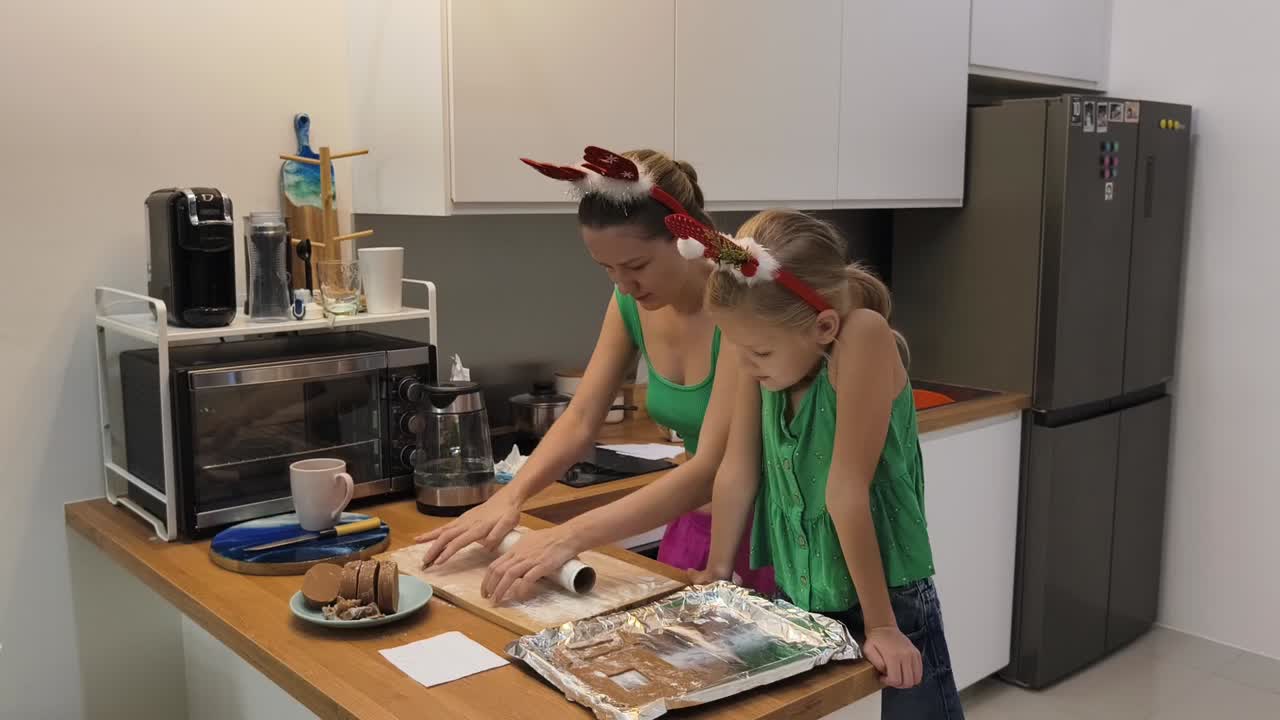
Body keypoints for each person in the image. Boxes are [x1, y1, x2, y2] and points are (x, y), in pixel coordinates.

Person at [415, 147, 774, 601]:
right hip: (689, 526)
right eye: (607, 269)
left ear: (689, 237)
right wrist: (510, 496)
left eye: (637, 266)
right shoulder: (630, 301)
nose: (624, 284)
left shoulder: (740, 300)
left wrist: (568, 535)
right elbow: (583, 417)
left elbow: (712, 468)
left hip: (765, 538)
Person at [685, 209, 962, 719]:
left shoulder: (862, 336)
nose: (746, 366)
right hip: (799, 586)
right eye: (741, 350)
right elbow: (738, 469)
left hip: (886, 592)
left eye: (760, 352)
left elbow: (846, 491)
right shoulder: (761, 352)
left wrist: (881, 626)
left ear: (823, 326)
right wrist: (720, 569)